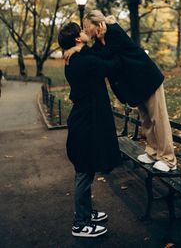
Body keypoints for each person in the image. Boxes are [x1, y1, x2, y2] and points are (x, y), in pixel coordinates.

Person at [64, 10, 177, 172]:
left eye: (87, 26)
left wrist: (89, 45)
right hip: (135, 86)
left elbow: (111, 56)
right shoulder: (98, 43)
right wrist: (75, 49)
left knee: (158, 119)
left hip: (147, 79)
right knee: (146, 120)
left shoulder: (114, 31)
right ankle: (153, 152)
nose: (86, 30)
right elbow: (95, 57)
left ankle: (168, 159)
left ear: (98, 24)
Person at [58, 22, 122, 238]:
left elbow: (95, 58)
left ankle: (86, 212)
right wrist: (104, 42)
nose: (86, 33)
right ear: (77, 39)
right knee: (84, 172)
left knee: (87, 169)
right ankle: (80, 223)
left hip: (84, 120)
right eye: (83, 32)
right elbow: (111, 64)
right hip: (84, 124)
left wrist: (88, 45)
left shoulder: (76, 57)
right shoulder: (81, 60)